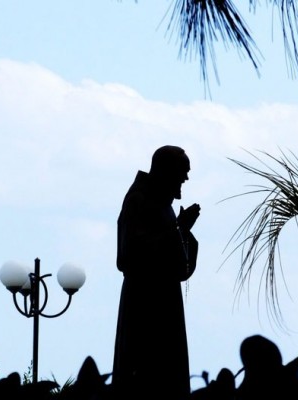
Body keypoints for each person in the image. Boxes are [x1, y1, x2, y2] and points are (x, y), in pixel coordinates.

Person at [112, 145, 200, 399]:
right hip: (145, 301)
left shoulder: (162, 203)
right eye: (182, 172)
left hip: (164, 298)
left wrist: (182, 230)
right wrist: (177, 230)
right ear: (167, 171)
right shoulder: (140, 199)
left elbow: (175, 260)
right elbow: (132, 255)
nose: (185, 178)